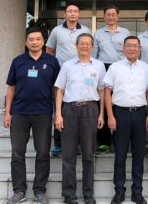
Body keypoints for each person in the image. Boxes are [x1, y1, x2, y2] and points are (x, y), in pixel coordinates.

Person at [4, 27, 60, 204]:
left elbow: (57, 88)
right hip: (20, 113)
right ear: (26, 42)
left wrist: (57, 112)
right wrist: (7, 112)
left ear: (43, 42)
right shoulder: (18, 61)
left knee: (43, 152)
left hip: (43, 113)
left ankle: (40, 190)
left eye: (38, 39)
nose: (34, 42)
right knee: (17, 153)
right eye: (31, 39)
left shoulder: (52, 61)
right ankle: (19, 190)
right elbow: (11, 88)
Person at [54, 33, 106, 204]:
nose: (84, 46)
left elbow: (102, 91)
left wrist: (101, 114)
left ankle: (88, 194)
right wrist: (58, 114)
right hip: (69, 110)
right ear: (76, 46)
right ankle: (69, 195)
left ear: (92, 47)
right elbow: (59, 90)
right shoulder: (68, 66)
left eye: (87, 43)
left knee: (88, 155)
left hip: (91, 110)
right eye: (81, 43)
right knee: (68, 155)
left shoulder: (98, 66)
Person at [103, 36, 148, 204]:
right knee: (120, 155)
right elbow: (107, 92)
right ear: (123, 48)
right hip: (120, 114)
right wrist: (110, 116)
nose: (132, 48)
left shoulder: (145, 68)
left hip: (140, 114)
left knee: (138, 155)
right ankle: (119, 191)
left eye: (135, 46)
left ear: (139, 48)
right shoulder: (115, 68)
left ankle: (137, 192)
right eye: (129, 46)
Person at [46, 4, 91, 157]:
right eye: (70, 11)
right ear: (65, 14)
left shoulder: (85, 30)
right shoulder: (56, 31)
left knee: (79, 108)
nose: (73, 14)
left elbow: (91, 49)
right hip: (62, 72)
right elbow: (50, 51)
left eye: (76, 11)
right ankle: (58, 144)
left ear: (79, 14)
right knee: (61, 107)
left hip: (82, 72)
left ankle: (78, 144)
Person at [93, 5, 130, 153]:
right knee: (102, 103)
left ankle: (120, 140)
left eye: (113, 14)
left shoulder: (125, 32)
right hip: (103, 68)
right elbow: (94, 54)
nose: (111, 17)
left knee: (119, 104)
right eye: (108, 14)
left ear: (118, 16)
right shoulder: (98, 34)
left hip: (121, 69)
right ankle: (104, 142)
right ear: (104, 16)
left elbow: (129, 51)